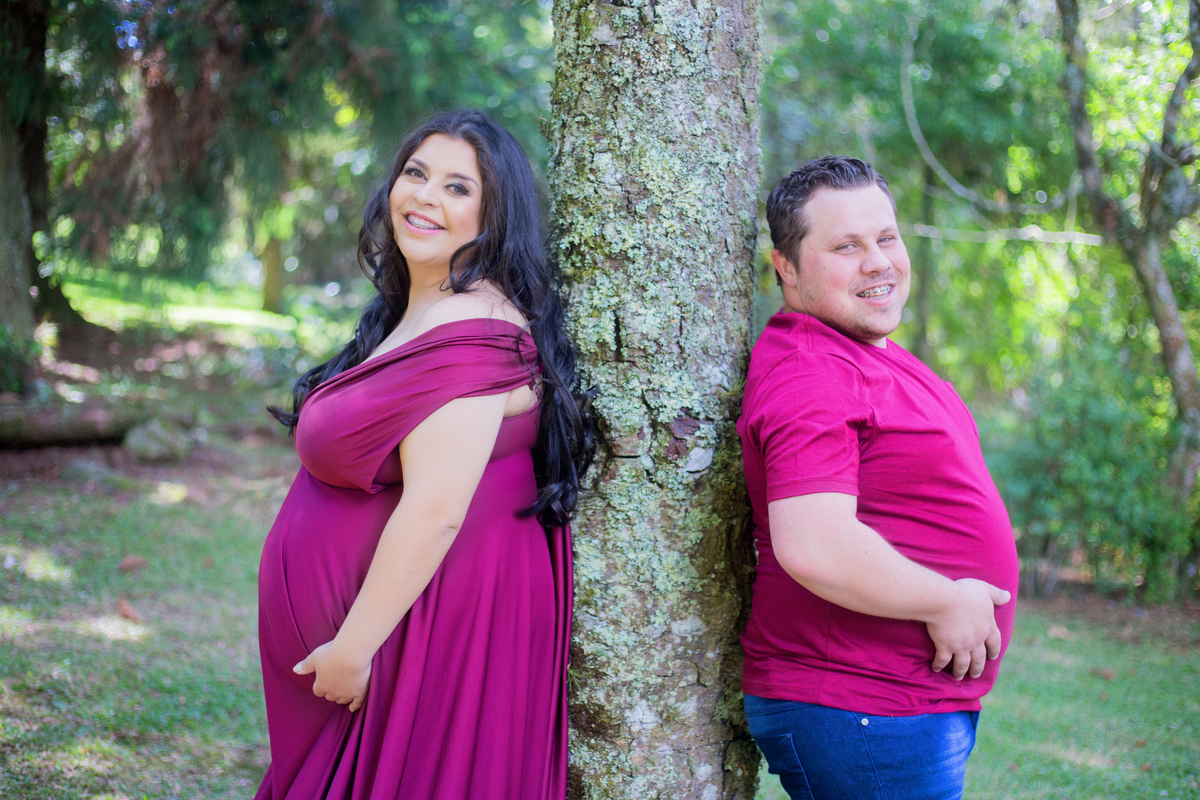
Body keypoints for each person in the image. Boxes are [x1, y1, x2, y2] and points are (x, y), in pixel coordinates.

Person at [255, 109, 592, 800]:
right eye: (416, 173)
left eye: (458, 187)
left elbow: (437, 508)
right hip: (393, 631)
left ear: (496, 216)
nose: (426, 197)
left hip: (418, 633)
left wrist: (353, 648)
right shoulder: (425, 306)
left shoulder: (477, 328)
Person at [737, 156, 1019, 800]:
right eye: (846, 246)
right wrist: (948, 601)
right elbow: (814, 543)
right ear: (786, 265)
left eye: (886, 237)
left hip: (893, 703)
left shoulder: (863, 353)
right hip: (860, 704)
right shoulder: (813, 374)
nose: (878, 261)